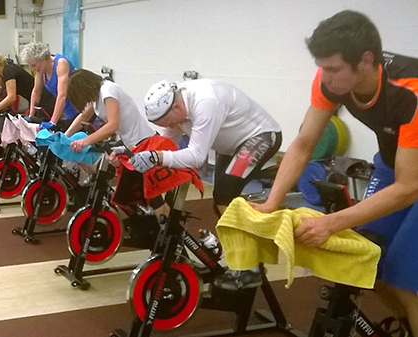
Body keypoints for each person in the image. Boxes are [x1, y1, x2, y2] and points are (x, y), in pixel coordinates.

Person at [251, 10, 417, 335]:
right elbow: (304, 144)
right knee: (369, 261)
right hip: (393, 161)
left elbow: (409, 186)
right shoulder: (329, 80)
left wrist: (331, 222)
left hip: (411, 175)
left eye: (332, 69)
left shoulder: (409, 90)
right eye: (321, 68)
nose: (324, 78)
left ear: (365, 61)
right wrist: (272, 202)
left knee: (405, 278)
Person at [121, 78, 282, 291]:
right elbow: (165, 143)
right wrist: (131, 154)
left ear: (176, 107)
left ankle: (250, 269)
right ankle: (244, 254)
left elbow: (196, 156)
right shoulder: (177, 109)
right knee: (221, 201)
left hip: (261, 136)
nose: (168, 126)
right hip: (231, 145)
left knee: (225, 194)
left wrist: (156, 157)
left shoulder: (206, 102)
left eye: (166, 122)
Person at [64, 69, 157, 150]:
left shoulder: (107, 90)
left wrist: (84, 142)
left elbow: (113, 125)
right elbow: (85, 116)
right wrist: (65, 137)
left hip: (144, 141)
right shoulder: (96, 95)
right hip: (129, 142)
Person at [20, 42, 79, 131]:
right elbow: (36, 91)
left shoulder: (61, 63)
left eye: (34, 65)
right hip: (67, 110)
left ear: (42, 58)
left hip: (78, 108)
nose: (32, 69)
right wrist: (31, 115)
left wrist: (53, 122)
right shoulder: (40, 70)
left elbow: (62, 95)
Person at [0, 53, 56, 117]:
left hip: (45, 102)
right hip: (36, 102)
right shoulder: (3, 71)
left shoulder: (8, 71)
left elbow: (11, 97)